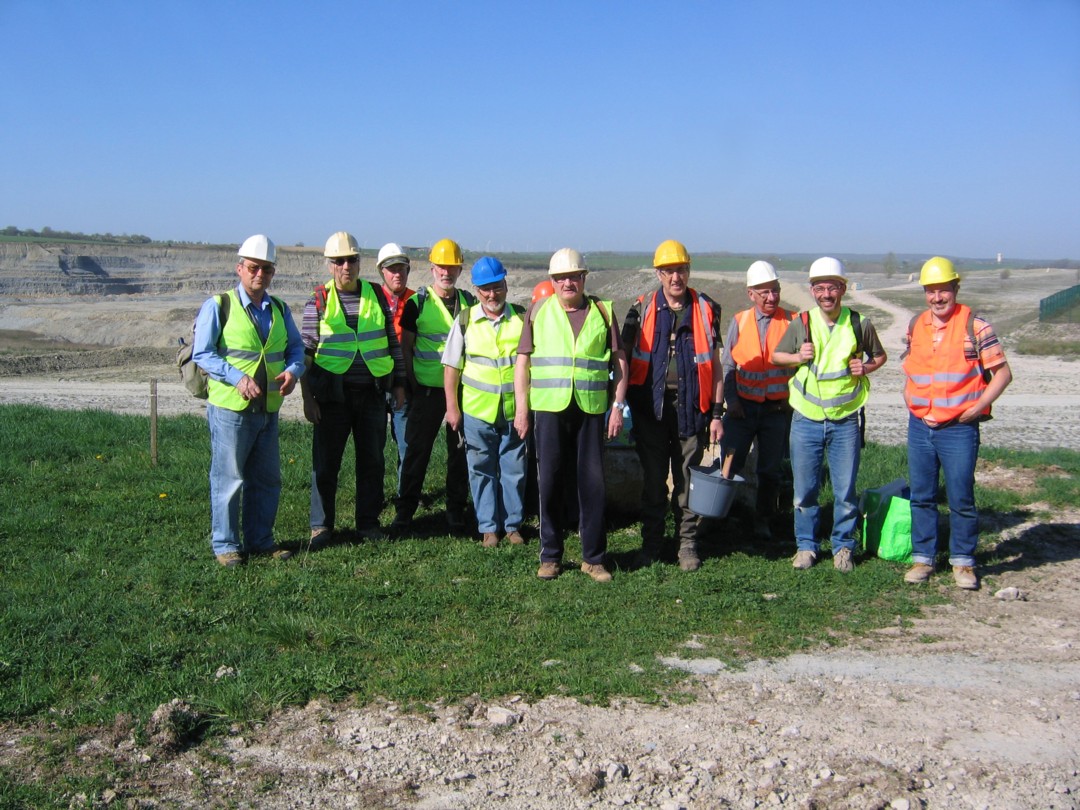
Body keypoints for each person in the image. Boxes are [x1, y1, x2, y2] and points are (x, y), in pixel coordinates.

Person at [514, 248, 628, 582]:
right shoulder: (538, 311)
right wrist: (522, 409)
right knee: (549, 482)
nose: (568, 283)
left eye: (574, 276)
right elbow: (523, 362)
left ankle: (594, 559)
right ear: (552, 281)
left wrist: (617, 407)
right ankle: (550, 556)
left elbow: (619, 361)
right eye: (561, 278)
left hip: (591, 409)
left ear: (584, 278)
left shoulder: (603, 311)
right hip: (549, 409)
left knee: (593, 484)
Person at [192, 234, 305, 567]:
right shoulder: (219, 305)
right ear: (240, 268)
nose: (260, 274)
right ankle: (226, 545)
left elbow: (295, 348)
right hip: (231, 408)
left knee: (267, 479)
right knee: (229, 478)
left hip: (267, 408)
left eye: (266, 269)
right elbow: (203, 352)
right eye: (254, 267)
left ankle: (260, 540)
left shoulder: (279, 309)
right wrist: (237, 378)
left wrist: (294, 371)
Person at [902, 256, 1012, 590]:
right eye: (931, 291)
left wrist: (978, 407)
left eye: (943, 290)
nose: (937, 298)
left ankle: (963, 562)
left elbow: (1002, 374)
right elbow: (914, 366)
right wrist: (909, 396)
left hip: (959, 428)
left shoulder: (975, 327)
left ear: (956, 288)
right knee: (921, 495)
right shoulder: (915, 324)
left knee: (961, 497)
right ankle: (923, 558)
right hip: (920, 424)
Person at [771, 257, 887, 573]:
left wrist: (866, 367)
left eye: (832, 288)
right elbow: (776, 356)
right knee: (804, 491)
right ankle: (806, 547)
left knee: (845, 492)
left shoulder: (859, 323)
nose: (826, 294)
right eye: (820, 288)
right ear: (813, 290)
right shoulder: (802, 323)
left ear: (842, 289)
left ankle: (843, 547)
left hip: (845, 419)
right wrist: (798, 356)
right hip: (806, 418)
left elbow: (880, 356)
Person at [622, 240, 723, 571]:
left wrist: (717, 413)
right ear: (658, 274)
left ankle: (687, 544)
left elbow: (715, 365)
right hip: (649, 409)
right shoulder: (641, 308)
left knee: (686, 479)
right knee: (653, 481)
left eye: (680, 270)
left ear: (688, 271)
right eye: (668, 271)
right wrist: (618, 404)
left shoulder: (706, 309)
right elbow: (623, 357)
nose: (675, 277)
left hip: (691, 408)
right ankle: (651, 544)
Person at [300, 232, 406, 548]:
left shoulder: (376, 296)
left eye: (352, 260)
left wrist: (399, 384)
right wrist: (307, 398)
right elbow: (305, 353)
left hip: (372, 394)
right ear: (330, 265)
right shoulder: (318, 300)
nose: (346, 266)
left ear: (360, 262)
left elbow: (393, 343)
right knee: (326, 463)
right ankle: (321, 526)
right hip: (332, 397)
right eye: (339, 261)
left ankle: (368, 524)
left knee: (372, 462)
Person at [393, 239, 476, 533]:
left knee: (459, 453)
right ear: (432, 269)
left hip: (461, 391)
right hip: (426, 391)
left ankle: (455, 509)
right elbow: (406, 348)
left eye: (452, 267)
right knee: (416, 452)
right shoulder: (418, 303)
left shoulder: (470, 303)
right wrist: (411, 384)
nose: (446, 272)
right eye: (441, 267)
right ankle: (405, 511)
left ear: (459, 270)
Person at [443, 257, 527, 547]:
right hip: (477, 412)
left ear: (506, 285)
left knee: (514, 469)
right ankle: (489, 528)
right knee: (480, 470)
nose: (492, 294)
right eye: (486, 289)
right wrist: (452, 408)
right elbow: (451, 367)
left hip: (513, 411)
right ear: (477, 291)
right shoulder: (465, 321)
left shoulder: (521, 319)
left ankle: (513, 526)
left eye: (497, 287)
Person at [720, 260, 797, 541]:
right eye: (764, 292)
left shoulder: (793, 321)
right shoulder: (740, 321)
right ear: (750, 294)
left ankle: (763, 521)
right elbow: (728, 365)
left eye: (775, 290)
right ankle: (721, 516)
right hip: (742, 409)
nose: (771, 297)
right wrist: (732, 401)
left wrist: (791, 402)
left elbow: (802, 367)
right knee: (728, 464)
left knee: (770, 471)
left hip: (776, 411)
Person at [377, 242, 415, 486]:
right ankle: (374, 496)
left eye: (401, 269)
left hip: (405, 383)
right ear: (382, 272)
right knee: (373, 446)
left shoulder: (416, 300)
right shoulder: (370, 299)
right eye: (392, 269)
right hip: (376, 383)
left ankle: (406, 496)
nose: (397, 274)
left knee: (407, 444)